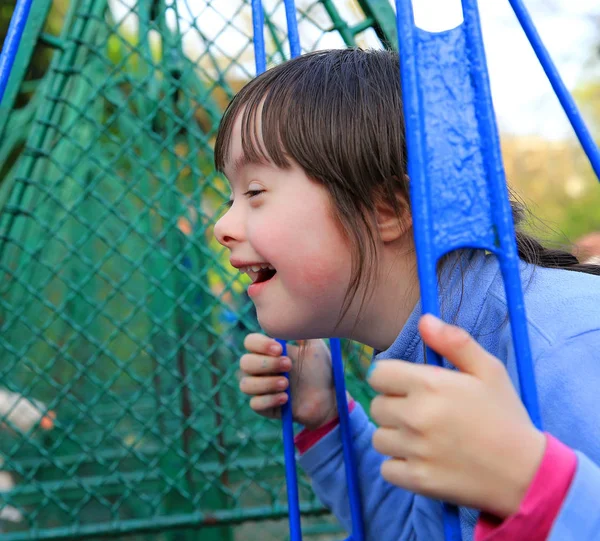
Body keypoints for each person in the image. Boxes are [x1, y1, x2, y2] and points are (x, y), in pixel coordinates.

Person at [212, 49, 600, 540]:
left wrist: (535, 487)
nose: (222, 225)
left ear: (388, 209)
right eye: (230, 196)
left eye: (255, 193)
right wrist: (326, 420)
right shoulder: (432, 350)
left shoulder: (565, 341)